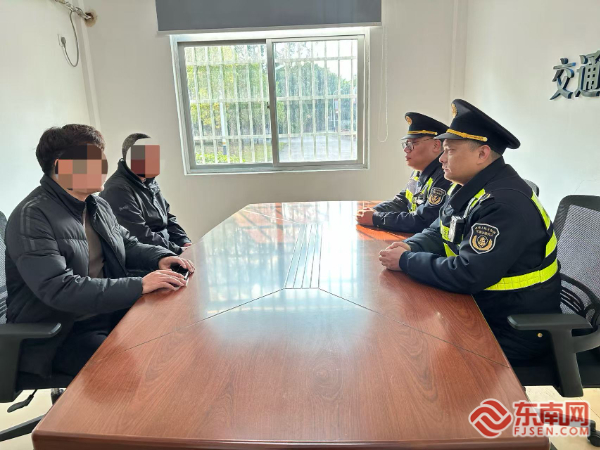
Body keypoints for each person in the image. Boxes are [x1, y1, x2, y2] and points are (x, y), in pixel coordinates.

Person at [5, 125, 195, 378]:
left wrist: (159, 257)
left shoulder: (97, 205)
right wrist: (139, 285)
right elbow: (59, 289)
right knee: (138, 372)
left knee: (174, 336)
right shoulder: (32, 217)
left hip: (106, 310)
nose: (103, 167)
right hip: (62, 333)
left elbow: (127, 244)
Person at [379, 99, 561, 362]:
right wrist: (411, 246)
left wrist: (406, 261)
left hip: (513, 328)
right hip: (484, 307)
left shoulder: (504, 205)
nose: (441, 158)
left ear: (482, 154)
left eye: (450, 151)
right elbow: (440, 227)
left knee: (411, 355)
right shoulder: (470, 187)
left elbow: (468, 274)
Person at [356, 112, 453, 232]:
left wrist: (377, 218)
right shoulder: (419, 171)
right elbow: (402, 201)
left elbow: (423, 220)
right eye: (406, 144)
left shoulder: (445, 176)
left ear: (436, 145)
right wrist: (376, 211)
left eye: (413, 144)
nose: (406, 149)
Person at [99, 133, 191, 256]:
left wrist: (184, 242)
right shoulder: (117, 189)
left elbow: (167, 218)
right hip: (148, 256)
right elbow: (140, 235)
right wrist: (177, 250)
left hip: (166, 249)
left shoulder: (148, 180)